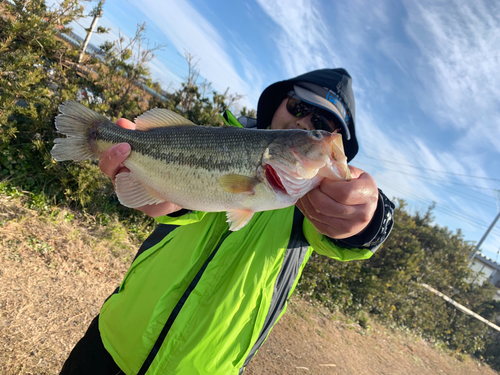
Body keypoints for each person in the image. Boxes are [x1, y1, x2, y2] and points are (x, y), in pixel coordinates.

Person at [61, 68, 394, 375]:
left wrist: (369, 218)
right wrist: (157, 193)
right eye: (298, 107)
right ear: (279, 103)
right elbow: (185, 204)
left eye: (323, 123)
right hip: (115, 335)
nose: (306, 125)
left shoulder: (312, 202)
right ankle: (90, 133)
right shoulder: (222, 137)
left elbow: (351, 235)